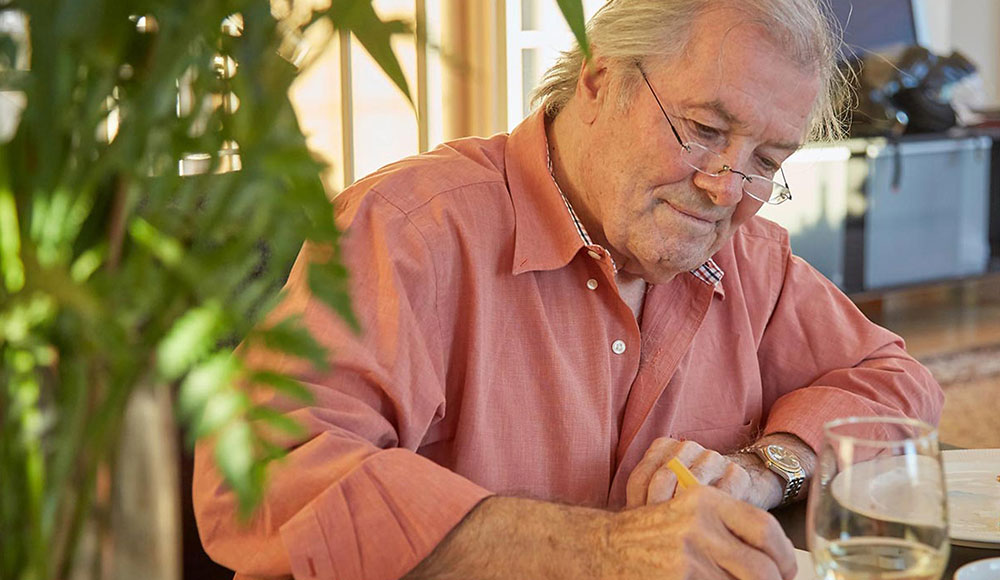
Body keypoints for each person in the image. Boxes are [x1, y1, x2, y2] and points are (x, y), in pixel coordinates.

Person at [193, 1, 943, 578]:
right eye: (703, 130)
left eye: (766, 160)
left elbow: (895, 384)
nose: (725, 188)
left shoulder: (750, 257)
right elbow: (266, 477)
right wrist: (604, 550)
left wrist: (762, 470)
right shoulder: (412, 231)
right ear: (598, 78)